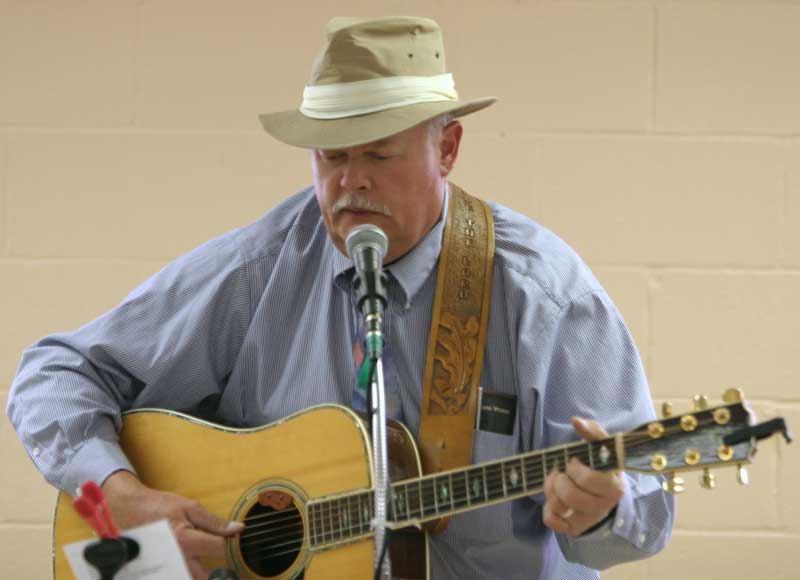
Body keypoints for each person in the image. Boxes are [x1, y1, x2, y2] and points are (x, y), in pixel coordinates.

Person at [7, 15, 674, 580]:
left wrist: (604, 507)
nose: (349, 183)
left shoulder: (544, 294)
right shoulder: (263, 266)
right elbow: (53, 375)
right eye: (330, 157)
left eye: (379, 155)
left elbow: (643, 510)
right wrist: (119, 496)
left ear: (447, 148)